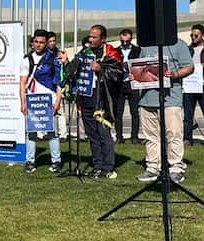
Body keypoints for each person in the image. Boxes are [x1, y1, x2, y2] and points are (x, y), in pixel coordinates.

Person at [134, 32, 194, 182]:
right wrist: (134, 75)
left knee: (173, 134)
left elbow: (189, 67)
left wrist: (174, 74)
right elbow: (140, 68)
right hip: (147, 99)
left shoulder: (179, 44)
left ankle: (176, 168)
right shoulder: (145, 45)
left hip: (171, 98)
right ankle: (153, 167)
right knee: (150, 136)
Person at [76, 24, 124, 178]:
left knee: (104, 134)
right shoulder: (85, 52)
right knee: (92, 135)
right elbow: (76, 67)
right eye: (89, 36)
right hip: (87, 99)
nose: (90, 39)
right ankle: (97, 165)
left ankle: (108, 167)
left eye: (94, 37)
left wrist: (101, 68)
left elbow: (118, 74)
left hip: (102, 101)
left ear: (103, 39)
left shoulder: (111, 52)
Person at [20, 30, 62, 174]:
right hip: (33, 100)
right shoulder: (26, 60)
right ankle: (30, 161)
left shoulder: (53, 59)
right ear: (32, 42)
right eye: (36, 42)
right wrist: (22, 102)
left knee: (52, 132)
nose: (38, 45)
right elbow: (22, 82)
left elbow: (59, 82)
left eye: (42, 42)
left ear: (46, 43)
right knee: (31, 132)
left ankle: (56, 161)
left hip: (49, 99)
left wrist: (58, 101)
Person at [182, 24, 204, 146]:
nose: (193, 37)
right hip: (189, 86)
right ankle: (187, 138)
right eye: (191, 35)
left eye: (196, 35)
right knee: (188, 115)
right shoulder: (186, 49)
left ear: (202, 35)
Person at [114, 28, 141, 144]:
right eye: (123, 41)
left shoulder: (137, 50)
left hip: (133, 83)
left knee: (134, 111)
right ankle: (119, 136)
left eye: (127, 41)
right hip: (120, 84)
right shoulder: (115, 51)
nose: (125, 43)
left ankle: (134, 136)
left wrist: (132, 70)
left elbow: (141, 66)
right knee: (118, 112)